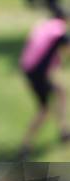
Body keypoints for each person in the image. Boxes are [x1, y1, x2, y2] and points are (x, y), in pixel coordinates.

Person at [18, 11, 69, 159]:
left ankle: (63, 130)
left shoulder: (44, 26)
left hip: (29, 68)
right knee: (44, 109)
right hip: (38, 73)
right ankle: (26, 145)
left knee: (60, 92)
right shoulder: (60, 31)